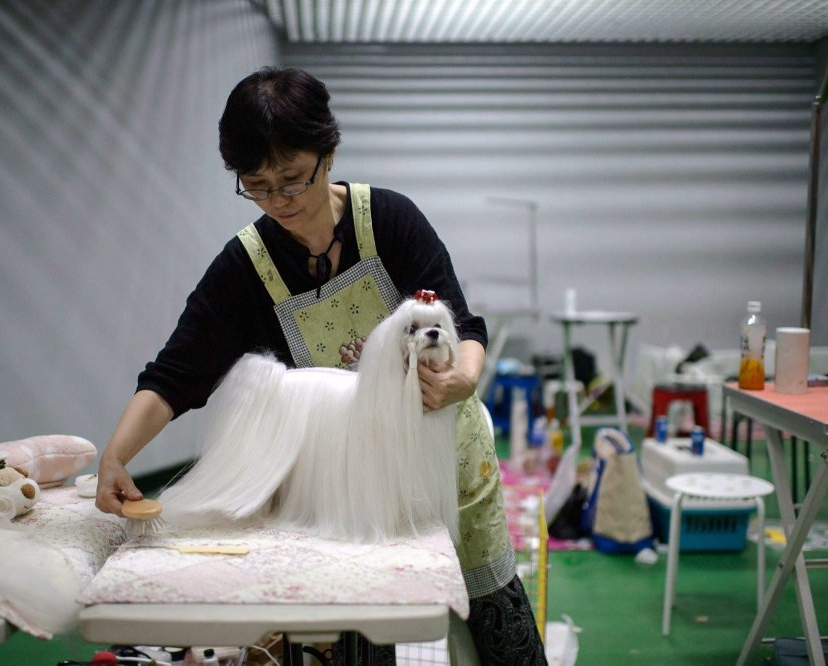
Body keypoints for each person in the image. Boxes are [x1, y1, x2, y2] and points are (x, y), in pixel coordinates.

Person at [95, 66, 547, 665]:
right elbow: (176, 375)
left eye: (292, 179)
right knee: (366, 631)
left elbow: (465, 326)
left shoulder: (390, 221)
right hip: (349, 493)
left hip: (449, 463)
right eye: (256, 185)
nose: (278, 200)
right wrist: (117, 455)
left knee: (496, 621)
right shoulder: (245, 268)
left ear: (328, 154)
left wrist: (462, 378)